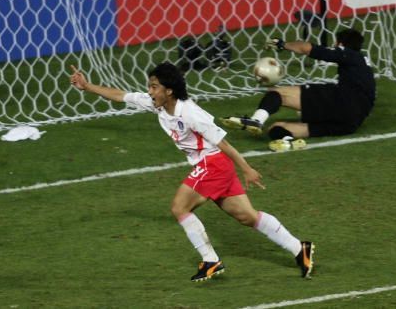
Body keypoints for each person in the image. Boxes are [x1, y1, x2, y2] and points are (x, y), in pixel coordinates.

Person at [69, 62, 314, 281]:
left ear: (169, 91)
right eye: (150, 86)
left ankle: (210, 260)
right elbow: (121, 95)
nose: (150, 91)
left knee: (179, 207)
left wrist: (247, 169)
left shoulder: (191, 114)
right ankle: (298, 248)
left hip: (214, 164)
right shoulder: (158, 104)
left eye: (154, 87)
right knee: (246, 217)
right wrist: (87, 86)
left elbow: (223, 143)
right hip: (213, 166)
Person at [221, 28, 376, 152]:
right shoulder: (363, 63)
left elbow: (305, 48)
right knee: (276, 128)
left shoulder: (348, 53)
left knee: (278, 93)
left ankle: (256, 120)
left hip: (342, 102)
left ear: (340, 43)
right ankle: (288, 142)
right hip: (351, 123)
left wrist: (282, 44)